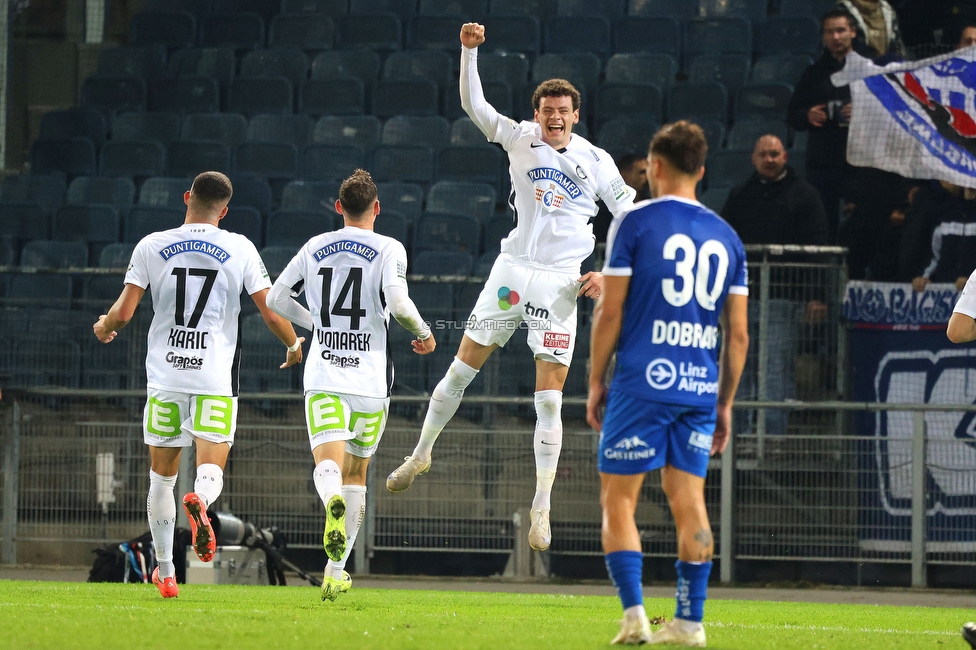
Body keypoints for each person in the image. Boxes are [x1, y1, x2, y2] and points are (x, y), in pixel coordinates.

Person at [385, 22, 636, 553]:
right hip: (512, 274)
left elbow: (630, 216)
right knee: (460, 369)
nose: (553, 117)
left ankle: (541, 509)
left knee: (548, 400)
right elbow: (475, 106)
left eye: (562, 110)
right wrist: (468, 53)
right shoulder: (519, 136)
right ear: (538, 112)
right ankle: (421, 452)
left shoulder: (597, 161)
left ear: (575, 115)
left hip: (561, 286)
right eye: (546, 109)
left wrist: (610, 273)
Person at [92, 172, 303, 599]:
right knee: (210, 466)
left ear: (187, 197)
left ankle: (167, 573)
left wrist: (104, 325)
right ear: (224, 211)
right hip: (214, 377)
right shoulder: (240, 247)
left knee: (161, 480)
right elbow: (271, 310)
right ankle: (202, 503)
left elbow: (125, 311)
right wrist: (293, 343)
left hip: (166, 376)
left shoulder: (151, 244)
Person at [587, 121, 749, 646]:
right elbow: (739, 336)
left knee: (619, 500)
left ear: (654, 168)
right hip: (699, 387)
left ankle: (635, 617)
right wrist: (724, 403)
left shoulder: (634, 222)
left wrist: (594, 380)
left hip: (641, 383)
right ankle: (689, 622)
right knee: (690, 501)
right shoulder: (728, 238)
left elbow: (610, 313)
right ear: (701, 171)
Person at [266, 169, 436, 601]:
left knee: (328, 463)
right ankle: (335, 571)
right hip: (371, 381)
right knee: (357, 472)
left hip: (324, 375)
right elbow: (398, 304)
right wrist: (423, 333)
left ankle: (331, 505)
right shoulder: (388, 247)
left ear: (338, 207)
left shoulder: (315, 246)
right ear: (377, 208)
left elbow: (276, 299)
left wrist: (316, 322)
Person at [721, 134, 827, 433]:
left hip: (785, 298)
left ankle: (772, 439)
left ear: (785, 157)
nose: (769, 159)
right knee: (737, 369)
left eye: (775, 154)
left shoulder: (805, 195)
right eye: (763, 154)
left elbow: (817, 248)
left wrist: (816, 296)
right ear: (754, 159)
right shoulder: (741, 194)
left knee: (774, 370)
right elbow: (726, 243)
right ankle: (736, 436)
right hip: (743, 300)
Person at [788, 8, 858, 242]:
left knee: (859, 226)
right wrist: (807, 115)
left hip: (859, 163)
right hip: (823, 163)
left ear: (853, 32)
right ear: (823, 37)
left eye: (841, 30)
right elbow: (792, 116)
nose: (836, 37)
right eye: (830, 32)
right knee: (821, 226)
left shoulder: (869, 70)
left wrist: (863, 113)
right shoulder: (813, 74)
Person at [594, 153, 652, 244]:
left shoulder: (651, 206)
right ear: (623, 177)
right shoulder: (606, 213)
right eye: (642, 172)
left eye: (649, 172)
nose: (648, 177)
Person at [837, 0, 906, 59]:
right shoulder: (843, 10)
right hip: (857, 69)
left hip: (888, 68)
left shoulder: (887, 8)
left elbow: (898, 48)